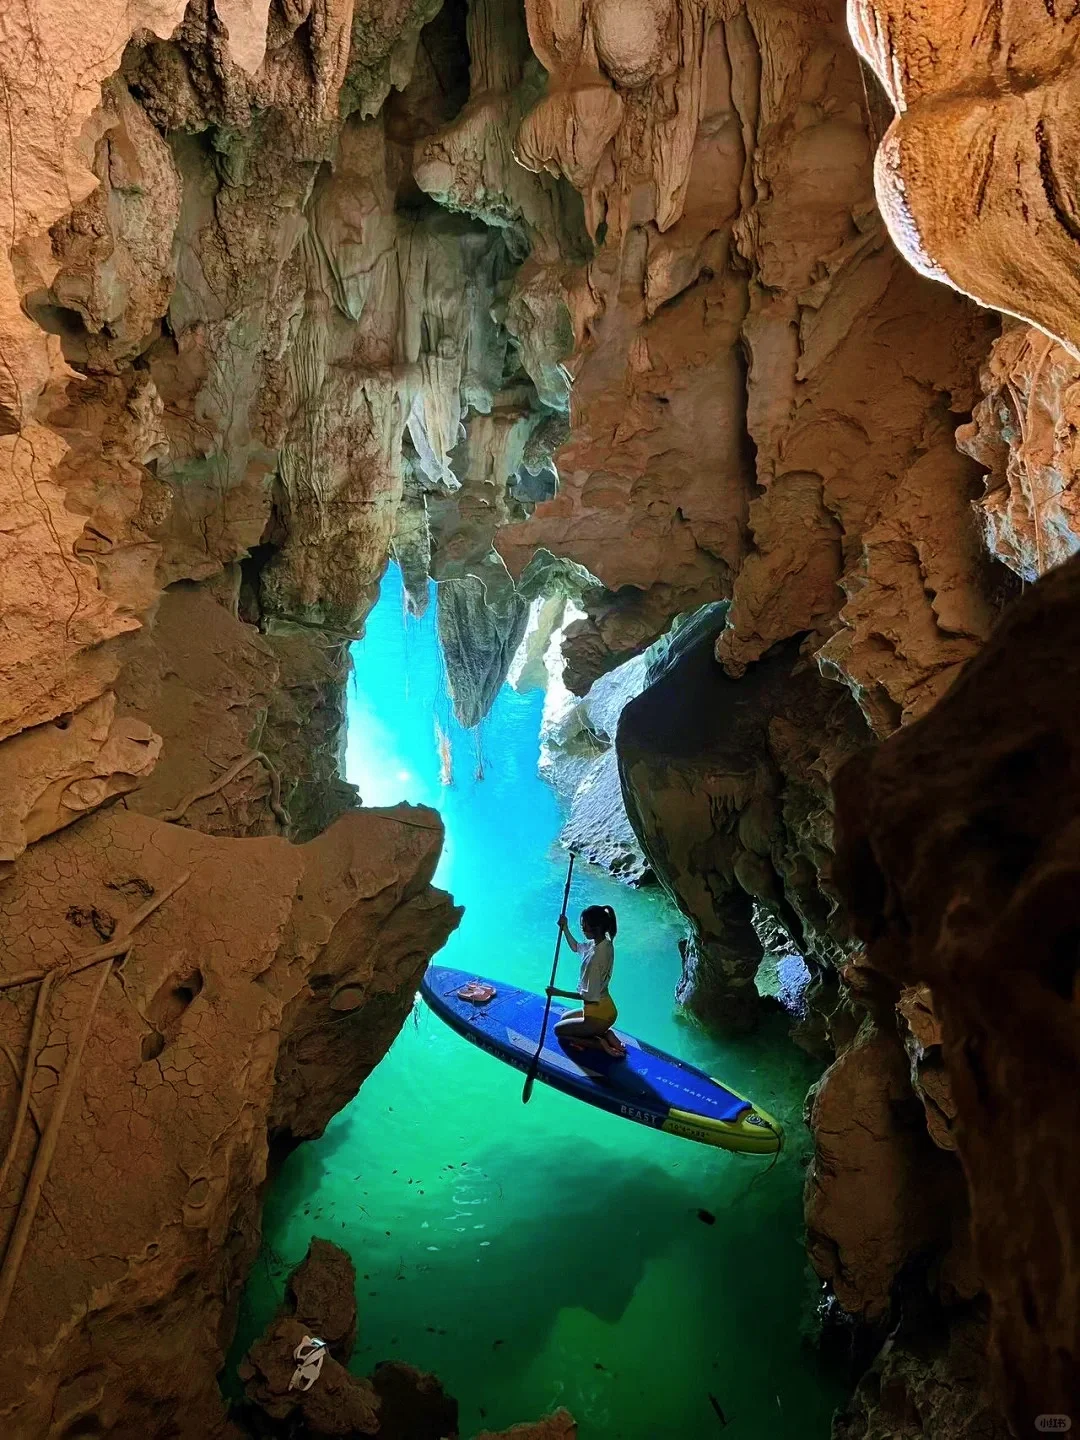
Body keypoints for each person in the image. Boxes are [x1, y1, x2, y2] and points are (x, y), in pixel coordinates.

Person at [549, 905, 624, 1057]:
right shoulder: (605, 943)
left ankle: (601, 1044)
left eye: (584, 927)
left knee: (558, 1031)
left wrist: (557, 992)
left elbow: (589, 996)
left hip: (597, 1015)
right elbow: (576, 947)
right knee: (564, 1018)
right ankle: (605, 1033)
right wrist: (565, 928)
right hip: (607, 1009)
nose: (582, 929)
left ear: (595, 928)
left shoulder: (594, 960)